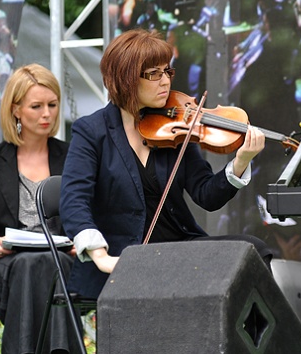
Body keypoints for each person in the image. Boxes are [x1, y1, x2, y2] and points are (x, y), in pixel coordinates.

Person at [59, 29, 273, 300]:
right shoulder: (91, 132)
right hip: (127, 256)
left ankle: (256, 341)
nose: (165, 82)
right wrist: (101, 257)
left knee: (254, 249)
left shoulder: (175, 128)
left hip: (178, 249)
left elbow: (206, 194)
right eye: (153, 74)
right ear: (125, 79)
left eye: (167, 72)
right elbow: (74, 200)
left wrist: (241, 160)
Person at [0, 64, 77, 354]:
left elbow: (91, 215)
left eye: (52, 104)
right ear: (16, 109)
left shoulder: (73, 156)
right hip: (4, 267)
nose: (47, 114)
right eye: (36, 106)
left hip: (62, 262)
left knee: (44, 264)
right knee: (32, 264)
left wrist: (80, 241)